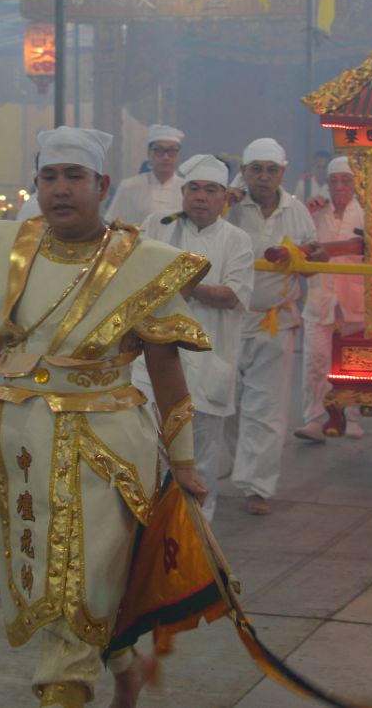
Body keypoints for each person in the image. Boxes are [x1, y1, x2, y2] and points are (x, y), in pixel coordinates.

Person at [0, 126, 211, 708]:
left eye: (74, 178)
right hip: (21, 445)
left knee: (82, 581)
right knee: (51, 579)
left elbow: (167, 373)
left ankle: (64, 691)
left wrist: (183, 462)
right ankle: (122, 663)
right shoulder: (7, 252)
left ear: (102, 184)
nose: (60, 190)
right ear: (36, 183)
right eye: (49, 177)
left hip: (108, 449)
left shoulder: (143, 265)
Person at [132, 153, 255, 521]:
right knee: (147, 451)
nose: (201, 197)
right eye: (194, 189)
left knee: (200, 461)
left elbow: (234, 295)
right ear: (184, 192)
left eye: (211, 190)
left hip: (209, 364)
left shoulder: (237, 240)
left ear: (224, 198)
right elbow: (134, 279)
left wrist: (182, 285)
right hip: (152, 363)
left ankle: (200, 546)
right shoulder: (157, 225)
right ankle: (149, 539)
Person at [226, 138, 317, 515]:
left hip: (275, 322)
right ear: (244, 172)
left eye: (271, 170)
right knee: (223, 404)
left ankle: (257, 486)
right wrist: (223, 200)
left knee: (268, 408)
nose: (263, 177)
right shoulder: (225, 207)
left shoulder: (296, 212)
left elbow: (313, 255)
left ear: (282, 172)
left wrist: (302, 257)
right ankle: (237, 466)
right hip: (225, 320)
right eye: (256, 169)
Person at [295, 155, 367, 443]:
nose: (339, 186)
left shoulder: (365, 213)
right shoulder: (314, 210)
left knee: (356, 362)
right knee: (316, 360)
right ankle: (314, 419)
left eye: (345, 180)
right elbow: (298, 243)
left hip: (354, 297)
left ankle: (353, 418)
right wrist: (308, 212)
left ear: (354, 184)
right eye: (334, 180)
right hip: (320, 298)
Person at [105, 124, 184, 226]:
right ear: (148, 153)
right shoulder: (129, 186)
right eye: (158, 150)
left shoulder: (187, 189)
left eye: (172, 151)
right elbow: (112, 224)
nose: (166, 157)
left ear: (178, 155)